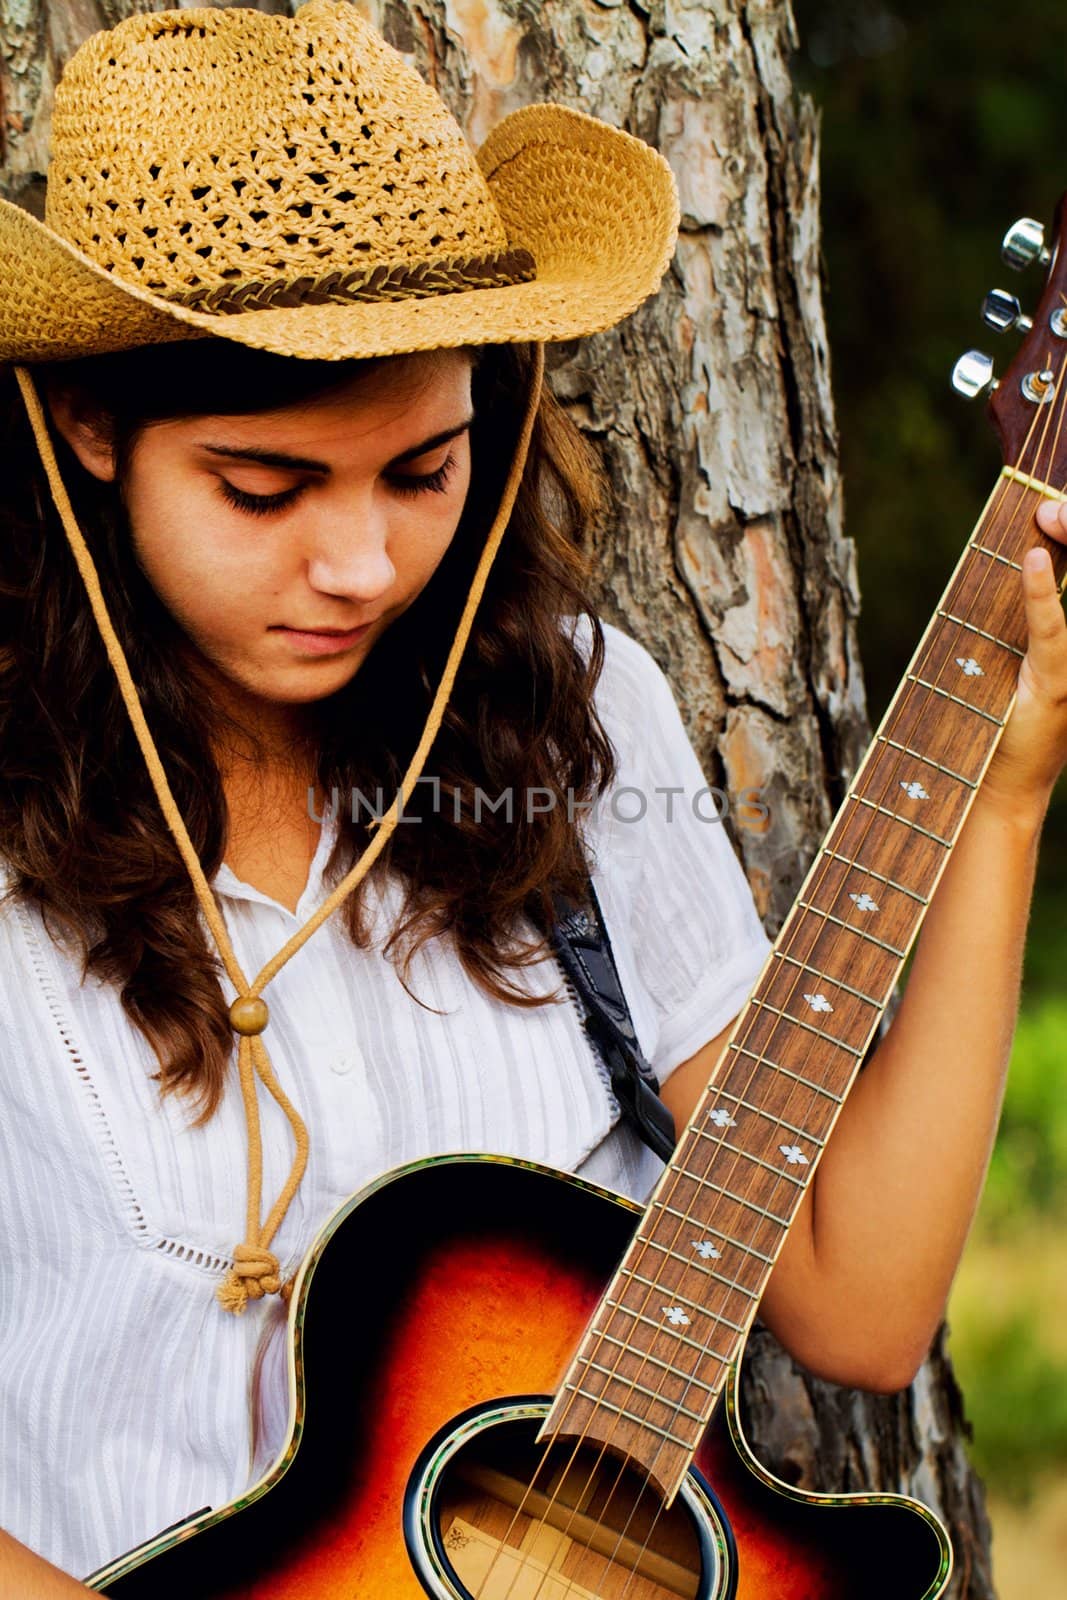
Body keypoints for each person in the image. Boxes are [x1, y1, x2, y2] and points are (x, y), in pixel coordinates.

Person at [0, 2, 1065, 1594]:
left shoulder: (578, 722)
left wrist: (1003, 804)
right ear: (91, 427)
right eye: (265, 487)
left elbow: (860, 1301)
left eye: (424, 472)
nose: (361, 566)